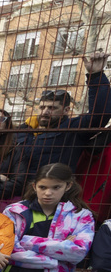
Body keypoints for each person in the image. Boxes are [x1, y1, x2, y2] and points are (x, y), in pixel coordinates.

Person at [15, 51, 110, 180]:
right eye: (42, 107)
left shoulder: (72, 129)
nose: (45, 112)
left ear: (66, 110)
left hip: (56, 192)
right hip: (20, 192)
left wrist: (96, 75)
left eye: (52, 108)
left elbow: (99, 115)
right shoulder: (23, 131)